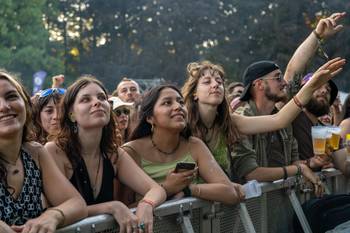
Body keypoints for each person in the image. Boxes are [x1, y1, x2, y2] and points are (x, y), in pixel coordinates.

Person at [181, 57, 345, 176]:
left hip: (219, 211)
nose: (216, 84)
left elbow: (279, 120)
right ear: (194, 93)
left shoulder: (230, 122)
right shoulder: (181, 124)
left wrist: (312, 86)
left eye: (218, 81)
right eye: (207, 82)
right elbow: (250, 173)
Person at [45, 75, 166, 233]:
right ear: (71, 114)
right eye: (85, 99)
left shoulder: (113, 154)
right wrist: (112, 207)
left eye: (101, 97)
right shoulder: (54, 151)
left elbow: (156, 190)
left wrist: (147, 204)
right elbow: (58, 211)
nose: (97, 102)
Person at [122, 85, 245, 205]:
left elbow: (230, 193)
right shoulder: (130, 152)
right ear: (150, 118)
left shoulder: (194, 145)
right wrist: (169, 188)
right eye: (167, 103)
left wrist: (188, 190)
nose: (178, 107)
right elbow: (125, 210)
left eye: (181, 102)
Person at [0, 70, 87, 233]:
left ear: (26, 104)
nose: (4, 107)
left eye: (11, 96)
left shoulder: (35, 153)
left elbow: (77, 204)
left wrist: (53, 215)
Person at [230, 61, 323, 196]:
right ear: (260, 84)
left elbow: (294, 159)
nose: (284, 83)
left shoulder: (284, 122)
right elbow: (251, 173)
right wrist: (298, 169)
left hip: (281, 205)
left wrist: (309, 165)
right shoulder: (241, 120)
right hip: (251, 209)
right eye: (278, 78)